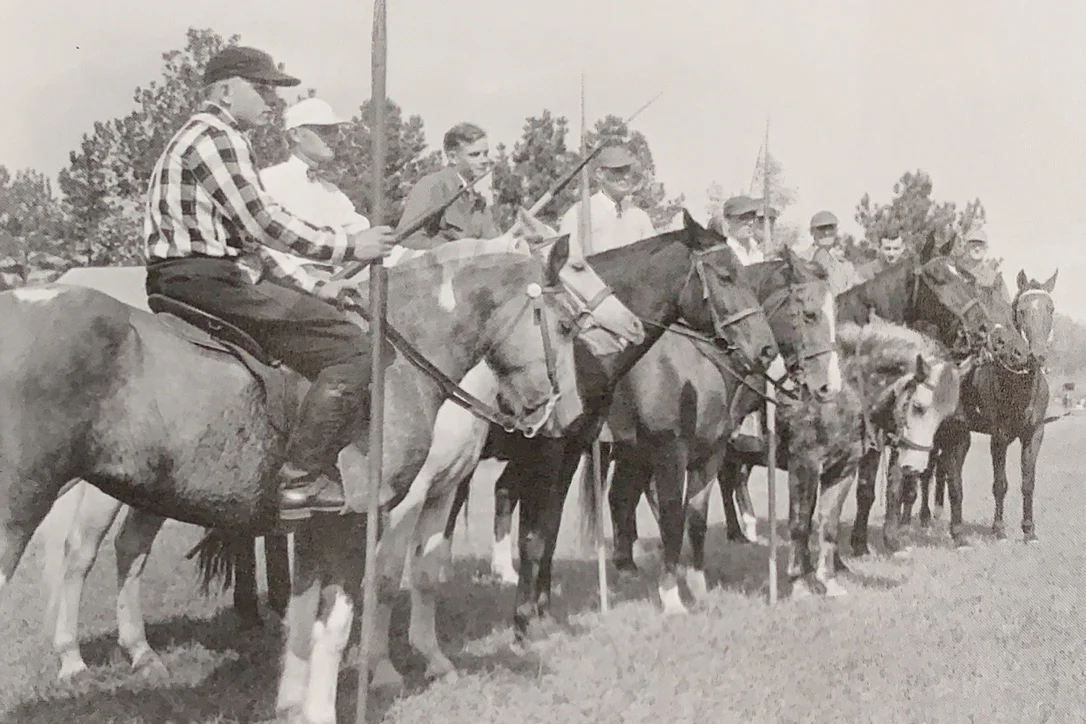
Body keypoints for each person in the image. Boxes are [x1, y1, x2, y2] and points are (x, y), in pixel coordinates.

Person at [142, 46, 397, 520]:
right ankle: (299, 477)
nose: (272, 100)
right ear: (225, 91)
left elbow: (247, 243)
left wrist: (315, 288)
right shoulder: (217, 137)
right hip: (207, 279)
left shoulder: (205, 137)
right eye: (261, 88)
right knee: (354, 351)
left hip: (196, 275)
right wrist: (350, 247)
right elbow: (263, 222)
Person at [258, 97, 371, 278]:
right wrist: (306, 272)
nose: (335, 138)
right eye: (324, 130)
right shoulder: (268, 180)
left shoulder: (332, 192)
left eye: (336, 131)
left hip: (336, 281)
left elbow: (364, 236)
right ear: (295, 135)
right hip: (290, 282)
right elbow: (262, 241)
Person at [397, 122, 500, 250]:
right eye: (475, 155)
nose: (484, 160)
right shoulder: (433, 186)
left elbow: (492, 244)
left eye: (485, 153)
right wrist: (456, 251)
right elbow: (408, 239)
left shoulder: (479, 202)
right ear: (452, 157)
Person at [558, 144, 657, 257]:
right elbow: (566, 261)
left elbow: (653, 257)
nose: (626, 176)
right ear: (600, 174)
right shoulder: (579, 213)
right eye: (618, 170)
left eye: (627, 170)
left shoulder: (639, 216)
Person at [807, 210, 860, 295]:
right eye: (821, 228)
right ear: (812, 231)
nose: (826, 232)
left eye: (830, 227)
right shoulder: (802, 259)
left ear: (836, 230)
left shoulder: (845, 264)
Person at [711, 195, 762, 265]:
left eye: (753, 216)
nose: (751, 222)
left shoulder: (759, 249)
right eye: (744, 217)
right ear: (727, 221)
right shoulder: (724, 253)